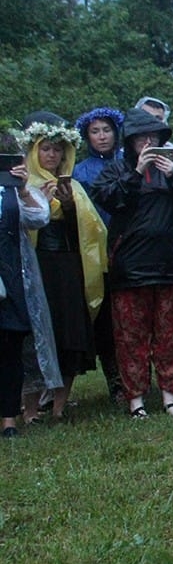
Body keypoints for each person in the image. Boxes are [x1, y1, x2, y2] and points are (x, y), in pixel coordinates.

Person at [91, 108, 173, 419]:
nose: (148, 142)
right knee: (131, 338)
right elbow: (106, 199)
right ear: (130, 142)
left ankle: (171, 396)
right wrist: (134, 174)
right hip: (131, 269)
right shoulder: (116, 171)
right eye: (142, 138)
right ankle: (136, 401)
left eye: (154, 137)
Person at [21, 117, 107, 421]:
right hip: (37, 264)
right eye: (45, 149)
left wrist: (69, 207)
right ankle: (30, 409)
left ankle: (58, 406)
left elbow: (91, 231)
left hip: (68, 265)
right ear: (34, 151)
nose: (52, 155)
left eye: (57, 150)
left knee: (69, 331)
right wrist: (38, 205)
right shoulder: (24, 185)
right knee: (35, 335)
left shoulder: (75, 187)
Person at [70, 108, 126, 404]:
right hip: (95, 253)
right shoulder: (80, 171)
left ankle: (136, 377)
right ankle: (116, 382)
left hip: (128, 248)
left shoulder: (127, 163)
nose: (102, 136)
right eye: (95, 131)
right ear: (87, 136)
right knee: (105, 322)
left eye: (106, 130)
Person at [1, 154, 55, 437]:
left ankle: (9, 418)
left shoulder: (11, 186)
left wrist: (22, 187)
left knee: (10, 347)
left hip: (10, 275)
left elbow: (40, 218)